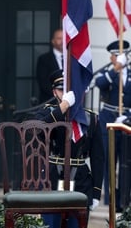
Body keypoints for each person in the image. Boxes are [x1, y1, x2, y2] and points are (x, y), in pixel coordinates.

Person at [35, 69, 103, 228]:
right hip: (52, 179)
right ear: (54, 91)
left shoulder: (90, 118)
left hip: (80, 180)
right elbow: (39, 130)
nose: (65, 93)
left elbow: (98, 157)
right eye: (61, 89)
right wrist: (63, 107)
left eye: (71, 91)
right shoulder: (48, 111)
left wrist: (96, 192)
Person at [93, 40, 131, 210]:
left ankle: (124, 196)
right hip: (108, 119)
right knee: (109, 160)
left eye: (123, 56)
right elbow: (100, 84)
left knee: (126, 161)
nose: (121, 58)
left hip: (126, 120)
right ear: (112, 57)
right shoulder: (107, 73)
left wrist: (127, 115)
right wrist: (116, 69)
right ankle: (110, 197)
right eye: (117, 56)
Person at [36, 29, 64, 104]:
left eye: (64, 38)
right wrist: (59, 95)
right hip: (50, 102)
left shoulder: (70, 60)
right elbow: (43, 83)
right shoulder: (44, 59)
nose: (62, 41)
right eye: (59, 38)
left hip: (68, 103)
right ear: (53, 41)